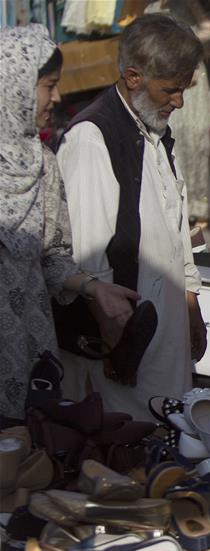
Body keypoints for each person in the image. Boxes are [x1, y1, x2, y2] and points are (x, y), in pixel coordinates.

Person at [56, 14, 207, 419]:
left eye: (183, 89)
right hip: (124, 341)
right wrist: (113, 343)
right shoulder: (91, 138)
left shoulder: (154, 129)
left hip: (164, 330)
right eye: (171, 90)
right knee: (132, 450)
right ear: (134, 77)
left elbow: (177, 225)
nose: (179, 101)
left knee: (171, 442)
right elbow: (89, 252)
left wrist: (190, 303)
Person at [0, 25, 138, 421]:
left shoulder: (42, 162)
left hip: (31, 347)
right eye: (48, 85)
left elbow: (53, 255)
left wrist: (95, 289)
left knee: (35, 463)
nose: (56, 98)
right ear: (15, 85)